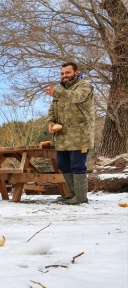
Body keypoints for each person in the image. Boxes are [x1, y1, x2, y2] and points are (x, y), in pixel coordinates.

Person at [45, 62, 95, 204]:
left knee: (77, 166)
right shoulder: (60, 91)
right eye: (62, 73)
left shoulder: (85, 86)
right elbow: (51, 113)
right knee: (63, 165)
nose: (64, 76)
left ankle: (80, 197)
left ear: (76, 72)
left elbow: (75, 97)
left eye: (67, 73)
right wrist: (50, 124)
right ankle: (72, 194)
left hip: (80, 136)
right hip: (62, 138)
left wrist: (57, 92)